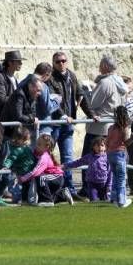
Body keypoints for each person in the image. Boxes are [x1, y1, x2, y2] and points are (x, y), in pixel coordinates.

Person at [48, 51, 86, 197]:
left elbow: (80, 95)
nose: (61, 63)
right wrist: (63, 116)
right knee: (47, 156)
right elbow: (52, 102)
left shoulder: (71, 75)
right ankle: (50, 189)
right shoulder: (50, 78)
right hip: (54, 124)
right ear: (53, 63)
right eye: (58, 61)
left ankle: (70, 189)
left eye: (63, 60)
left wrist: (92, 114)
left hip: (68, 124)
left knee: (68, 158)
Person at [18, 134, 72, 207]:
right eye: (37, 143)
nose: (36, 146)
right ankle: (62, 195)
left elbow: (35, 172)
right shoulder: (37, 153)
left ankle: (47, 201)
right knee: (49, 194)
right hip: (48, 178)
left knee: (40, 178)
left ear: (47, 147)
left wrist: (23, 178)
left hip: (57, 177)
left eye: (39, 144)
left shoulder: (44, 157)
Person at [108, 106, 133, 208]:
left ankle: (113, 198)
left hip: (110, 155)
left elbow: (108, 142)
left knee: (115, 177)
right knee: (121, 178)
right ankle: (121, 201)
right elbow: (126, 142)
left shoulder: (111, 128)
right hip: (119, 155)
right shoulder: (124, 128)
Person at [63, 137, 111, 202]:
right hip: (91, 183)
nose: (100, 148)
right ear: (93, 147)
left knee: (105, 201)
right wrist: (65, 165)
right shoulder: (89, 156)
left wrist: (109, 185)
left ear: (105, 147)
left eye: (102, 145)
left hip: (103, 184)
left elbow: (110, 173)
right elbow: (78, 162)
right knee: (93, 201)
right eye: (97, 145)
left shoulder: (107, 158)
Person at [2, 126, 36, 205]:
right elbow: (11, 158)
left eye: (28, 139)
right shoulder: (17, 150)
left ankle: (24, 198)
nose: (28, 141)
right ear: (19, 139)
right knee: (17, 185)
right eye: (26, 139)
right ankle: (18, 197)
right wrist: (6, 166)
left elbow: (31, 156)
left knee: (27, 186)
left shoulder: (26, 147)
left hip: (29, 170)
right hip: (21, 171)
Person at [0, 50, 24, 119]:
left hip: (10, 117)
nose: (21, 63)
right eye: (18, 61)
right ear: (10, 62)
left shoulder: (14, 78)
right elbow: (1, 99)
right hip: (0, 118)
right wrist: (19, 99)